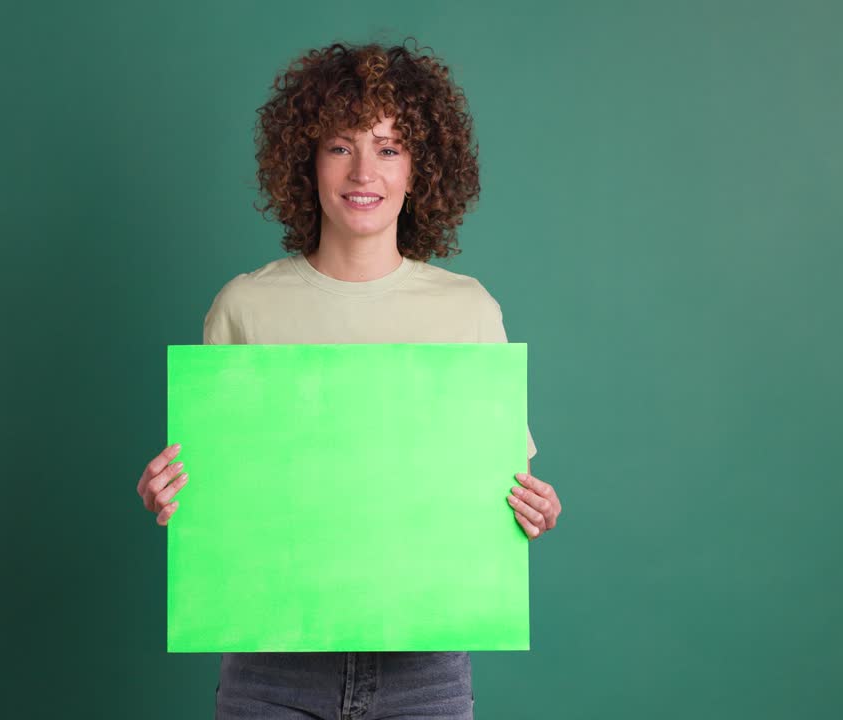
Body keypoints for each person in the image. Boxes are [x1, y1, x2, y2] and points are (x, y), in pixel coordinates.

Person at [137, 40, 563, 719]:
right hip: (270, 667)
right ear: (306, 162)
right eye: (341, 145)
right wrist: (170, 497)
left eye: (390, 147)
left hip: (425, 671)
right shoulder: (244, 307)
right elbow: (218, 496)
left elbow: (489, 491)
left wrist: (532, 514)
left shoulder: (470, 310)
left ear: (420, 169)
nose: (365, 169)